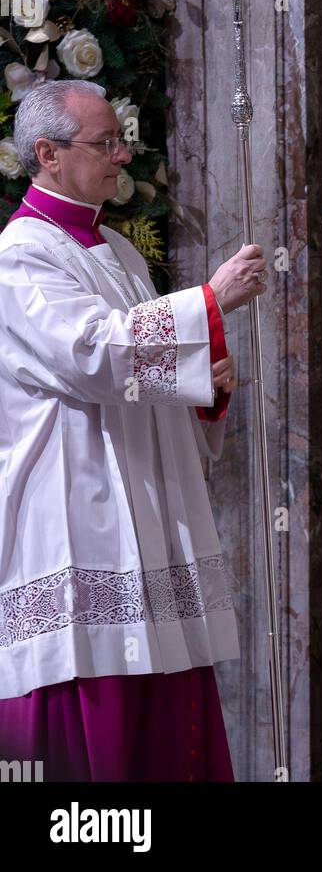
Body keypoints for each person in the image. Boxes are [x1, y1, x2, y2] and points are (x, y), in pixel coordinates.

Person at [0, 78, 267, 781]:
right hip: (77, 517)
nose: (121, 156)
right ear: (48, 153)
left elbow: (142, 374)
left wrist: (204, 387)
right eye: (104, 143)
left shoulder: (115, 250)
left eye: (121, 141)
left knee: (163, 694)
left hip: (144, 511)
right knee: (95, 724)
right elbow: (94, 355)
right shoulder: (20, 256)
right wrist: (211, 301)